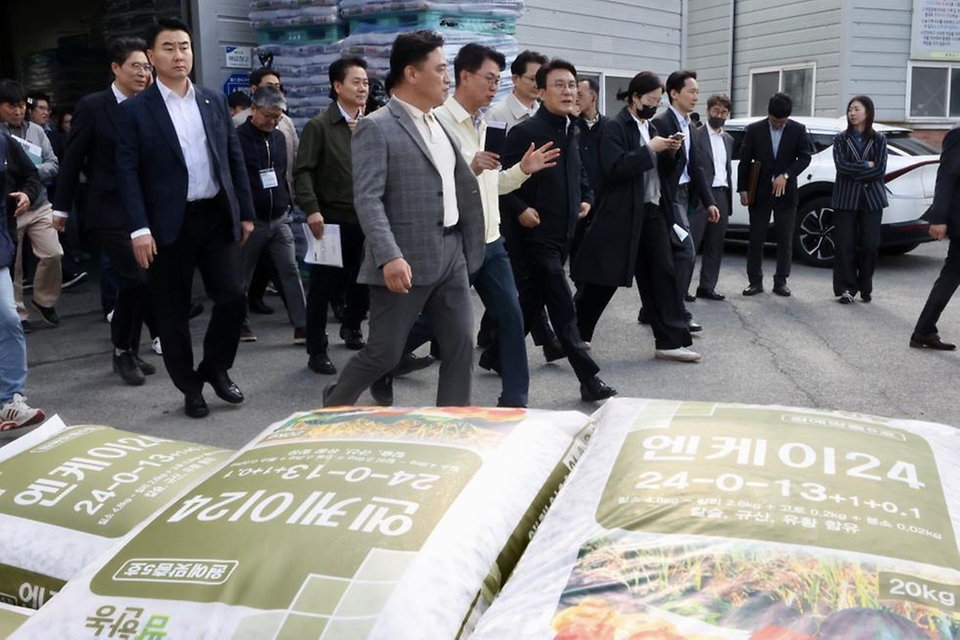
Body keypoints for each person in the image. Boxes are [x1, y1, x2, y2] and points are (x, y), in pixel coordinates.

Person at [379, 42, 561, 408]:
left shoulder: (485, 122)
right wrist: (470, 166)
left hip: (491, 241)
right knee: (433, 323)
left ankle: (515, 400)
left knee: (511, 315)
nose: (495, 87)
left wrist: (522, 171)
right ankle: (383, 362)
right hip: (456, 242)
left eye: (498, 80)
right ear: (464, 76)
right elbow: (430, 184)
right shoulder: (437, 120)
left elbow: (490, 185)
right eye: (489, 79)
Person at [322, 30, 485, 407]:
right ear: (412, 74)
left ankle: (451, 427)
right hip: (403, 260)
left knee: (461, 345)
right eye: (441, 69)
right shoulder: (376, 126)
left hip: (450, 253)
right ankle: (333, 404)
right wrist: (389, 255)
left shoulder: (440, 124)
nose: (448, 77)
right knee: (384, 352)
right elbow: (367, 199)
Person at [116, 17, 255, 418]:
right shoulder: (137, 111)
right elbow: (127, 173)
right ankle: (189, 387)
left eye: (185, 47)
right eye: (169, 48)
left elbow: (233, 160)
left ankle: (215, 368)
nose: (179, 55)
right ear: (151, 56)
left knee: (232, 297)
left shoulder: (211, 101)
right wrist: (139, 228)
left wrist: (244, 212)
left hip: (213, 216)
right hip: (165, 226)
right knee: (172, 311)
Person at [500, 58, 617, 401]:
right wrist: (520, 209)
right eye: (559, 85)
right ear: (540, 91)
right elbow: (498, 183)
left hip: (564, 233)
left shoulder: (572, 128)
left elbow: (580, 174)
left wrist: (587, 198)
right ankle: (588, 379)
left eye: (572, 85)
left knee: (531, 303)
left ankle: (495, 354)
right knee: (564, 307)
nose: (569, 92)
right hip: (534, 237)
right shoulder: (525, 133)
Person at [573, 71, 700, 363]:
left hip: (652, 211)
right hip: (621, 214)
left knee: (662, 276)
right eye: (649, 100)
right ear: (634, 98)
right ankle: (573, 333)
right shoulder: (615, 127)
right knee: (602, 280)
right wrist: (650, 150)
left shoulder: (650, 127)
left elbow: (662, 173)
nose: (654, 105)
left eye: (657, 101)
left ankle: (670, 341)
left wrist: (670, 151)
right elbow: (615, 168)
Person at [52, 37, 157, 386]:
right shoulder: (94, 106)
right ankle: (121, 351)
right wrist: (62, 209)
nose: (143, 73)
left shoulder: (151, 105)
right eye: (136, 67)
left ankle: (130, 347)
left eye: (146, 66)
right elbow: (72, 160)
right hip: (107, 209)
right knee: (134, 278)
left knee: (146, 283)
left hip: (143, 209)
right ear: (116, 68)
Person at [295, 56, 371, 375]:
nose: (363, 88)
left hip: (367, 219)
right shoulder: (320, 126)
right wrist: (312, 209)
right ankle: (316, 349)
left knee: (363, 282)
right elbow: (303, 171)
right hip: (330, 221)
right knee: (324, 287)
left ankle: (351, 326)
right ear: (337, 86)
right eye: (356, 82)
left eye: (366, 83)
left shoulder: (373, 123)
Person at [236, 86, 307, 344]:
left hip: (279, 218)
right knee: (241, 277)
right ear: (253, 110)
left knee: (290, 270)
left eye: (278, 117)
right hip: (251, 221)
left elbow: (282, 172)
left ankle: (303, 325)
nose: (273, 121)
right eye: (268, 116)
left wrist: (288, 202)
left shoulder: (278, 137)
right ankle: (239, 323)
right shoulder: (237, 138)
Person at [652, 70, 717, 330]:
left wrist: (709, 201)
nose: (696, 96)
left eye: (697, 92)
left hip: (686, 195)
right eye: (691, 91)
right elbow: (656, 165)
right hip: (668, 198)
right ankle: (677, 311)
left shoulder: (691, 126)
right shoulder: (661, 122)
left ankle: (652, 309)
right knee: (686, 251)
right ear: (674, 93)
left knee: (668, 255)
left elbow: (697, 167)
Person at [0, 79, 63, 331]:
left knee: (54, 253)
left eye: (20, 106)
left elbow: (53, 163)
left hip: (38, 204)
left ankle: (43, 300)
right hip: (9, 211)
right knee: (12, 265)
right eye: (10, 106)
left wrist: (30, 170)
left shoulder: (36, 131)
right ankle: (19, 314)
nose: (17, 111)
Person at [738, 92, 814, 297]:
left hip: (786, 192)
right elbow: (744, 160)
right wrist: (742, 189)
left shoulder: (798, 130)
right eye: (774, 121)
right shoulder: (754, 129)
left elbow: (805, 157)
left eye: (782, 122)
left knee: (785, 238)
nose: (778, 124)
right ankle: (755, 281)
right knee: (756, 238)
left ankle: (781, 281)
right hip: (759, 191)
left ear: (788, 117)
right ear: (768, 113)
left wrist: (786, 175)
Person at [0, 131, 45, 431]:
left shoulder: (4, 141)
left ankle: (10, 400)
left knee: (8, 318)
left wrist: (27, 194)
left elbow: (31, 174)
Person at [831, 95, 888, 304]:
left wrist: (863, 168)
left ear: (867, 112)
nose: (852, 113)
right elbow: (841, 167)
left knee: (870, 245)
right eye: (850, 110)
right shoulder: (841, 139)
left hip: (871, 198)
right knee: (844, 244)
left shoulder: (879, 139)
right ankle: (845, 288)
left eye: (856, 109)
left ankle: (865, 285)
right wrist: (866, 165)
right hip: (845, 198)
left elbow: (880, 169)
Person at [910, 123, 960, 351]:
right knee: (951, 273)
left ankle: (924, 330)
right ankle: (923, 329)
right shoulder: (958, 134)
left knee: (951, 274)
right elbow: (947, 176)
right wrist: (938, 218)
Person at [689, 93, 734, 300]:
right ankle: (682, 289)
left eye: (724, 112)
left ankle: (707, 286)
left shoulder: (728, 139)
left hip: (722, 194)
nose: (719, 115)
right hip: (700, 196)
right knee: (691, 244)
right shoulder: (695, 134)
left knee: (716, 244)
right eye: (716, 111)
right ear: (708, 111)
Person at [569, 77, 606, 267]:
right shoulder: (571, 126)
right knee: (576, 251)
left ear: (593, 97)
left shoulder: (609, 126)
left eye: (580, 94)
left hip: (602, 199)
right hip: (579, 198)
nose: (575, 98)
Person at [484, 49, 547, 131]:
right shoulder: (495, 115)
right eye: (532, 79)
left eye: (541, 80)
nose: (537, 85)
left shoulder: (545, 115)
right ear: (515, 79)